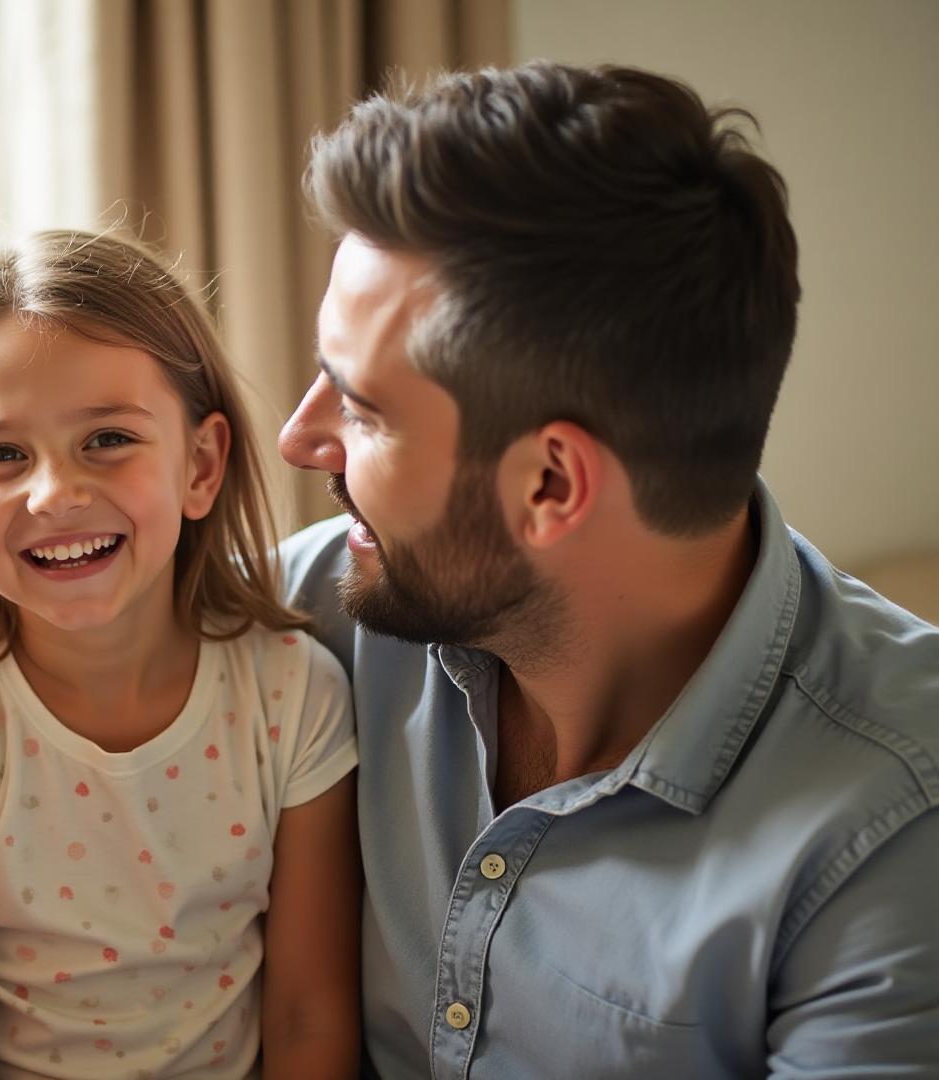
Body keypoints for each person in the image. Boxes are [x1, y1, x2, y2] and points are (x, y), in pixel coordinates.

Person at [277, 61, 939, 1078]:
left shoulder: (895, 829)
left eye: (361, 409)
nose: (299, 438)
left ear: (551, 484)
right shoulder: (309, 620)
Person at [0, 230, 361, 1078]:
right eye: (1, 456)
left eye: (107, 440)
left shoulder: (292, 691)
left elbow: (310, 1022)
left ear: (201, 465)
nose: (55, 493)